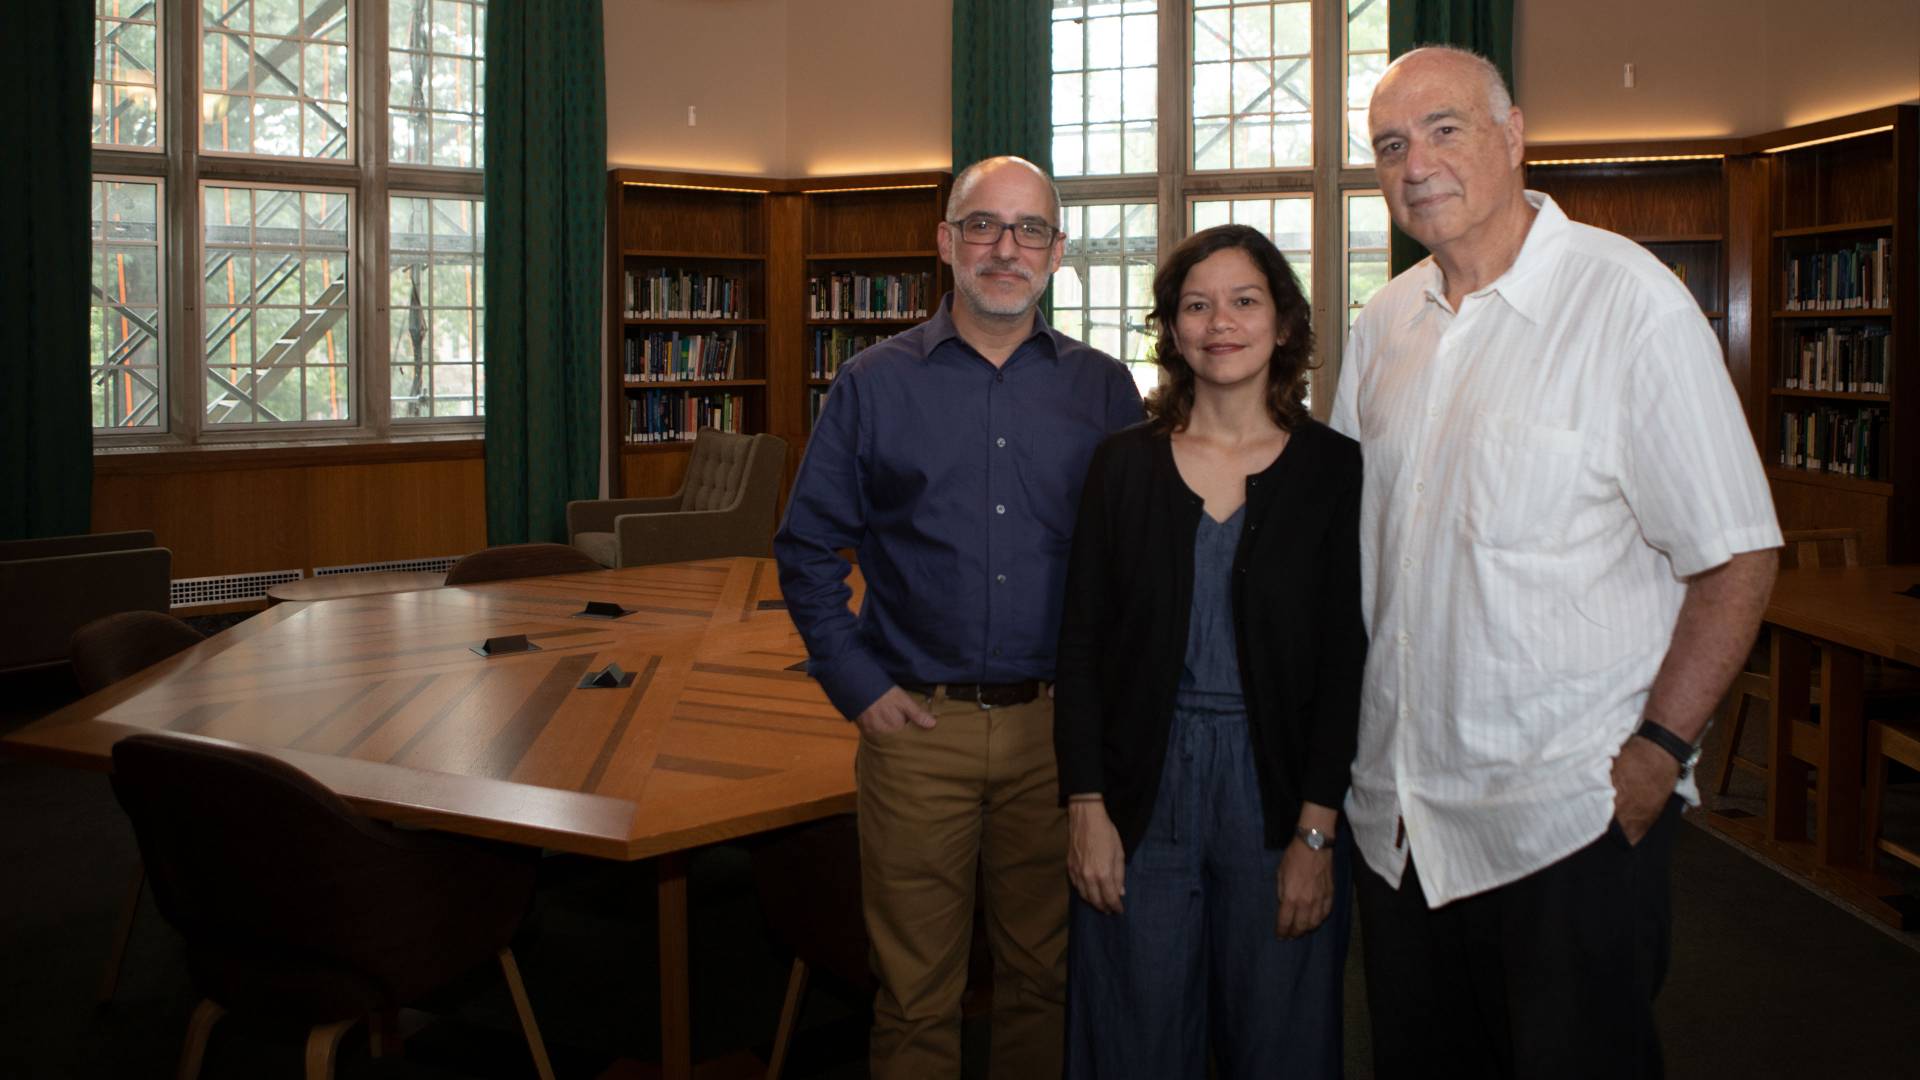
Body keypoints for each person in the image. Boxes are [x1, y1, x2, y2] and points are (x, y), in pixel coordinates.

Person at [1331, 45, 1781, 1078]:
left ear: (1515, 135)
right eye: (1391, 145)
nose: (1417, 163)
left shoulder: (1631, 306)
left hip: (1564, 819)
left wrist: (1659, 753)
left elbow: (1737, 554)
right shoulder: (1386, 321)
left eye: (1446, 130)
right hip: (1402, 821)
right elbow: (1357, 539)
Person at [774, 155, 1144, 1079]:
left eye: (1028, 231)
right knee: (912, 996)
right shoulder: (871, 383)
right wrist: (858, 686)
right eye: (983, 225)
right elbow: (808, 547)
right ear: (946, 242)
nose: (1004, 248)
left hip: (1058, 738)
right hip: (915, 729)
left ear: (1057, 252)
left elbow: (1137, 567)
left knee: (1044, 978)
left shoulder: (1105, 392)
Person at [1053, 223, 1366, 1079]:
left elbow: (1348, 663)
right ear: (1173, 327)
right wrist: (1086, 805)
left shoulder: (1336, 472)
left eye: (1243, 300)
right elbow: (1080, 643)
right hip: (1137, 793)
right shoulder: (1121, 467)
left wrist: (1314, 834)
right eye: (1196, 304)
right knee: (1133, 1032)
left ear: (1285, 323)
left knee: (1281, 1036)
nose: (1219, 322)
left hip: (1276, 797)